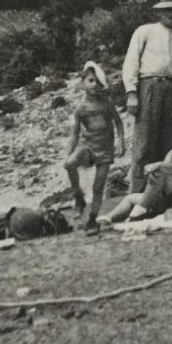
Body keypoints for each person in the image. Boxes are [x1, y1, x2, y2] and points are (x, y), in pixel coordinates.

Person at [122, 0, 172, 194]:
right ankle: (136, 193)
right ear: (159, 12)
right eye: (167, 10)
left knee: (169, 141)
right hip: (149, 88)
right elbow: (131, 62)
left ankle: (161, 193)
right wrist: (131, 92)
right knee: (145, 141)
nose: (171, 14)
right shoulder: (144, 31)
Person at [64, 61, 125, 233]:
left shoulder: (106, 102)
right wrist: (67, 154)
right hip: (88, 146)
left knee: (98, 187)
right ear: (83, 82)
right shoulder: (81, 108)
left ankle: (92, 220)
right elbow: (74, 134)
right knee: (69, 164)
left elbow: (118, 122)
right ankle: (79, 197)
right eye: (91, 80)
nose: (95, 84)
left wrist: (121, 142)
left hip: (105, 149)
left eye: (98, 81)